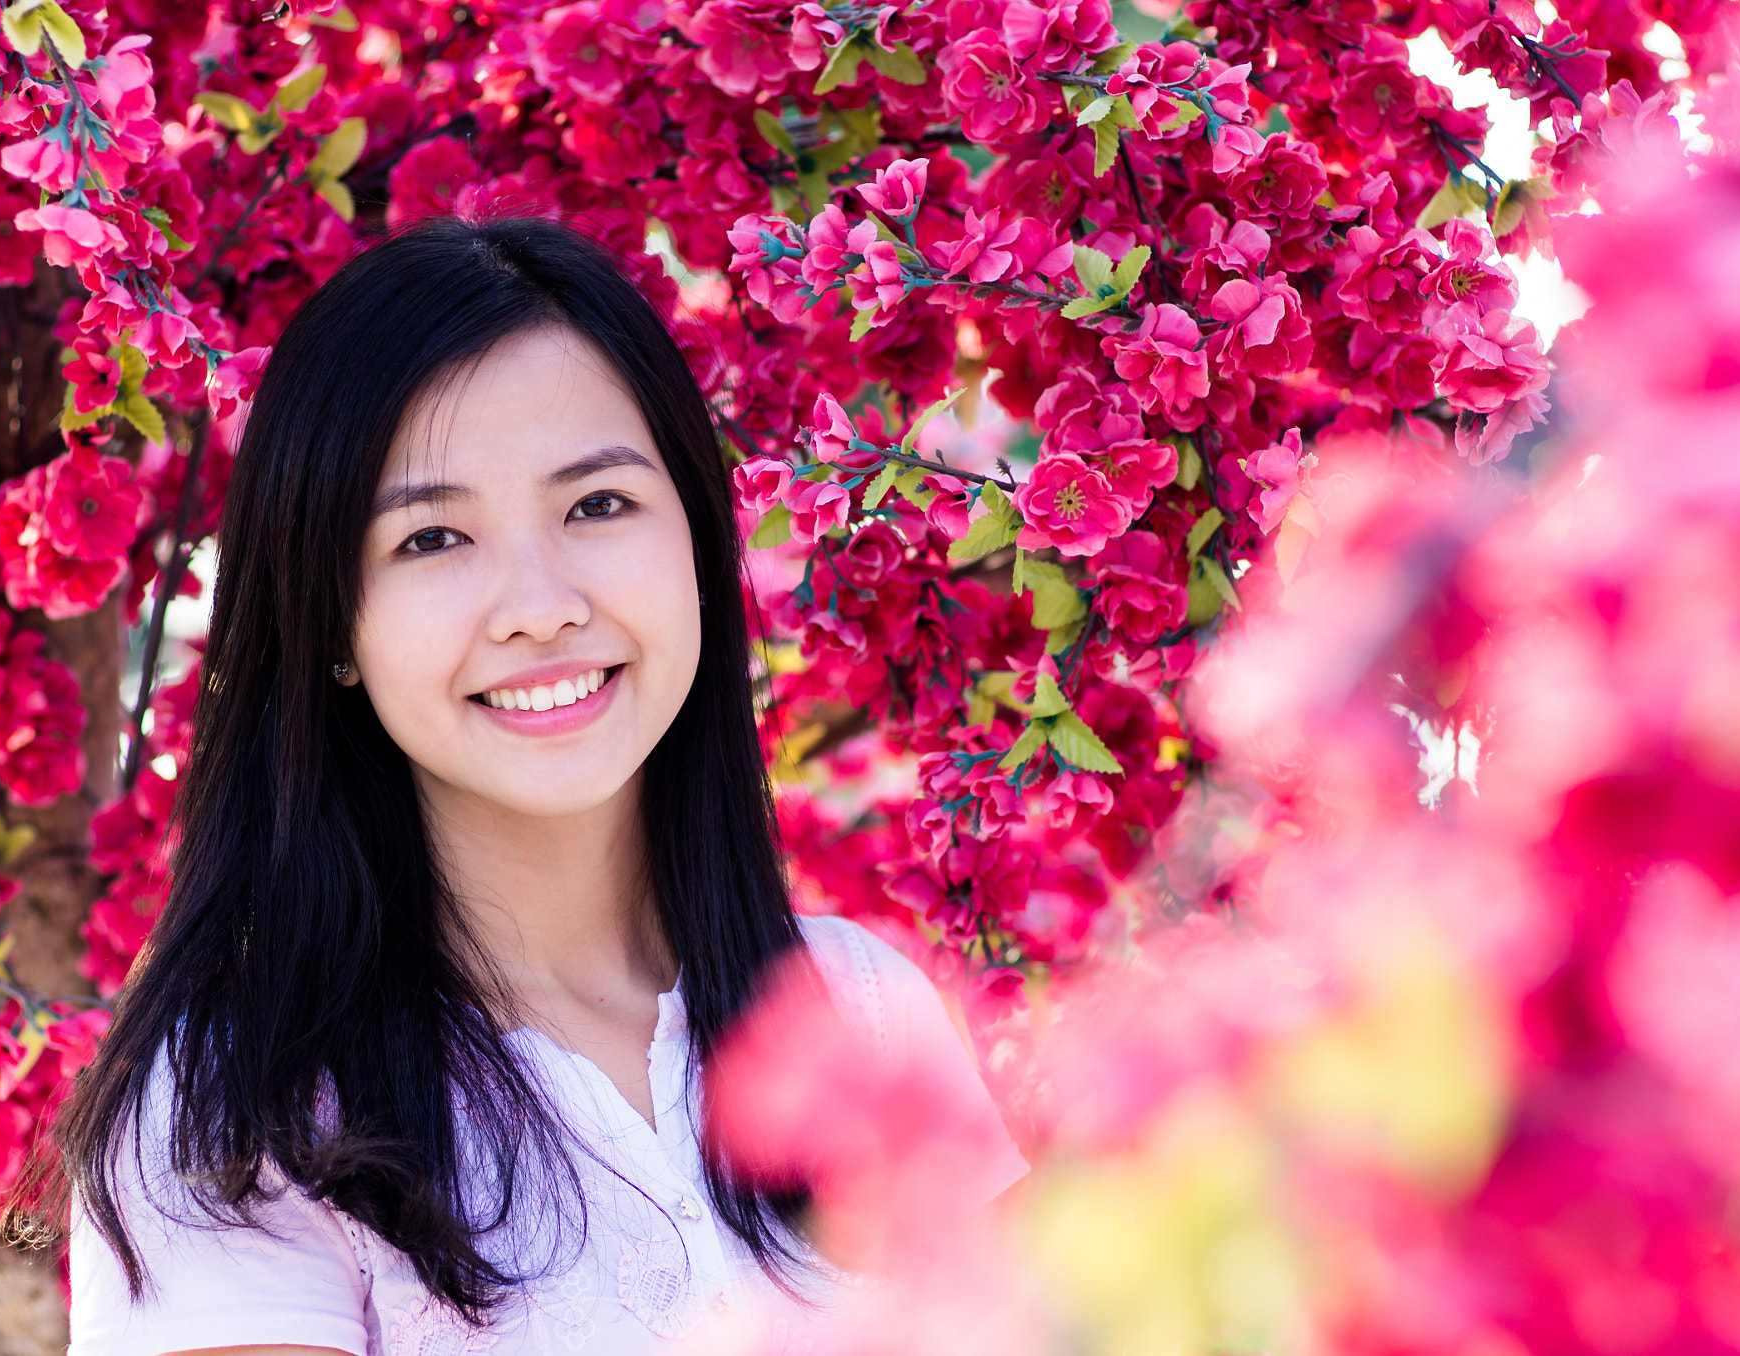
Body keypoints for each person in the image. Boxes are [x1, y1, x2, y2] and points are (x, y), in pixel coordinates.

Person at [55, 216, 1027, 1356]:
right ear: (330, 622)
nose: (539, 603)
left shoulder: (859, 1012)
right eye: (429, 539)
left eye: (596, 506)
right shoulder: (238, 1113)